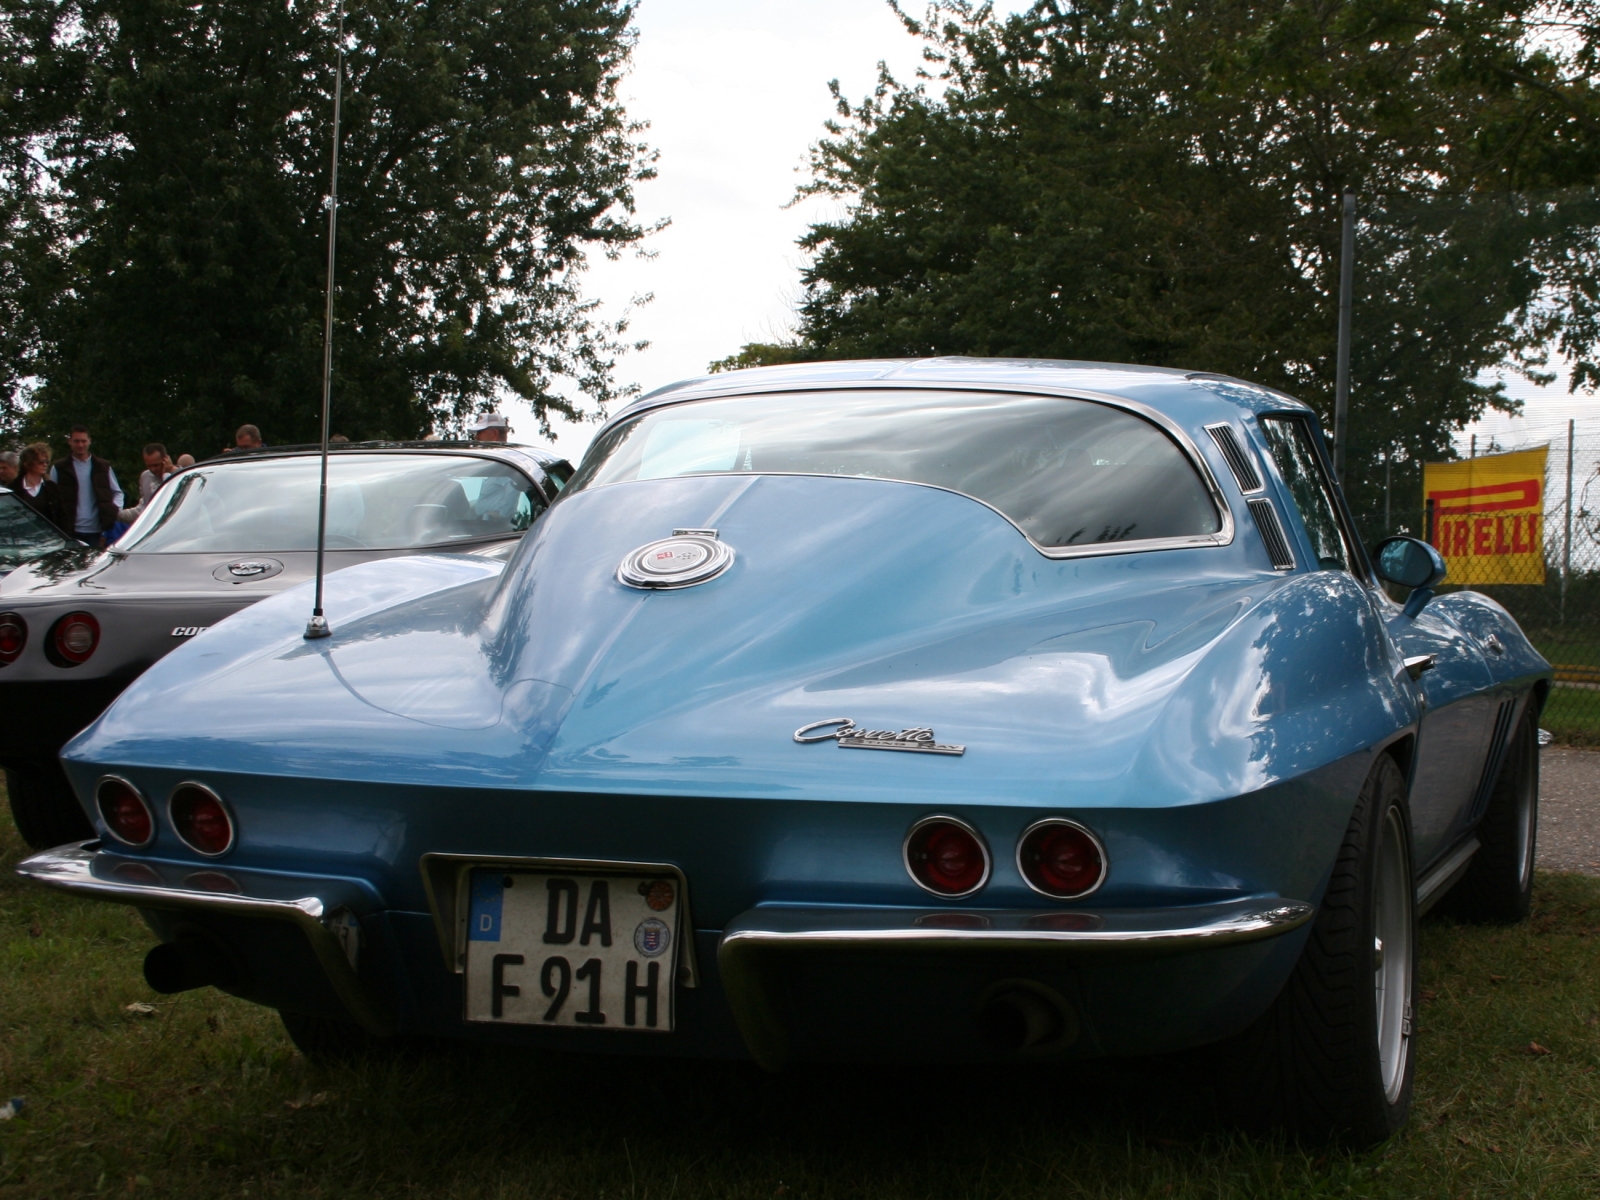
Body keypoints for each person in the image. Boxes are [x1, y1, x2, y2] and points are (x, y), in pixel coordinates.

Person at [49, 426, 124, 547]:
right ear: (70, 441)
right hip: (69, 530)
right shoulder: (59, 468)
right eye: (76, 441)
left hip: (97, 530)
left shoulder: (103, 466)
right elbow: (51, 497)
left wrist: (112, 511)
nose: (80, 445)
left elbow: (117, 493)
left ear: (89, 441)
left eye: (83, 441)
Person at [116, 443, 178, 523]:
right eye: (149, 466)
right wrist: (117, 514)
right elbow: (143, 509)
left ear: (166, 459)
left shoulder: (180, 475)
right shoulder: (145, 476)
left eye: (156, 465)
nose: (153, 469)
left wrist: (169, 471)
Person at [13, 443, 66, 530]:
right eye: (41, 462)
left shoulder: (51, 487)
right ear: (28, 464)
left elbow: (62, 516)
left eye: (47, 462)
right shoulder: (14, 487)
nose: (45, 464)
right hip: (21, 537)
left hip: (49, 537)